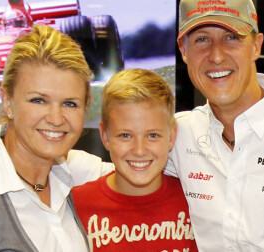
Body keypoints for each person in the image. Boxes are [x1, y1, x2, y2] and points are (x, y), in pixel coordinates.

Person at [164, 0, 264, 251]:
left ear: (256, 46)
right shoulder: (176, 134)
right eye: (201, 40)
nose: (217, 55)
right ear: (183, 51)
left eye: (231, 37)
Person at [0, 24, 114, 252]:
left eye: (70, 103)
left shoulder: (77, 171)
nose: (56, 119)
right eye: (38, 100)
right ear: (8, 102)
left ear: (85, 107)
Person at [72, 68, 198, 251]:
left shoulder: (195, 201)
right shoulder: (75, 205)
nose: (139, 150)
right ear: (105, 136)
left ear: (171, 137)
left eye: (153, 135)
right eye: (125, 135)